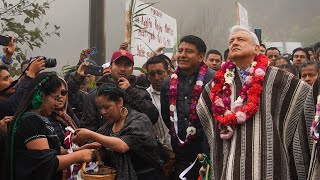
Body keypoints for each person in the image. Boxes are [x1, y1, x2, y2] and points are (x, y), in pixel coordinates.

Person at [197, 25, 311, 179]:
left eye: (241, 39)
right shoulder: (218, 84)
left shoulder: (279, 78)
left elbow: (305, 98)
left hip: (269, 163)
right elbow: (203, 108)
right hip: (232, 165)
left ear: (257, 48)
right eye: (231, 41)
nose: (234, 43)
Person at [8, 72, 94, 180]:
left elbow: (55, 150)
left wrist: (80, 150)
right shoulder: (30, 120)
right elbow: (46, 163)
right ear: (42, 95)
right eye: (56, 98)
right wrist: (79, 156)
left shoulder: (41, 118)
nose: (57, 103)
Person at [72, 83, 163, 180]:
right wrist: (82, 150)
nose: (103, 112)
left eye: (107, 107)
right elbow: (101, 145)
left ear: (120, 102)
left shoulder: (139, 121)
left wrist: (90, 134)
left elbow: (122, 146)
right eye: (100, 108)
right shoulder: (108, 126)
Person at [161, 35, 215, 179]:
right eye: (180, 50)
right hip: (181, 156)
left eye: (189, 51)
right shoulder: (168, 83)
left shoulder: (214, 80)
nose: (182, 55)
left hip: (209, 155)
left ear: (201, 56)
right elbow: (167, 117)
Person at [68, 49, 159, 131]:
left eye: (127, 65)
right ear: (111, 67)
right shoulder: (95, 95)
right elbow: (70, 99)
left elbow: (152, 117)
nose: (122, 69)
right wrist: (77, 77)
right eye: (118, 64)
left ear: (132, 69)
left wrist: (130, 91)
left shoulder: (140, 93)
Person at [145, 55, 172, 149]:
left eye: (160, 73)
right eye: (152, 74)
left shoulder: (178, 93)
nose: (156, 78)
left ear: (168, 73)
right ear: (148, 77)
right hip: (158, 151)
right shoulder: (144, 97)